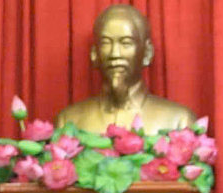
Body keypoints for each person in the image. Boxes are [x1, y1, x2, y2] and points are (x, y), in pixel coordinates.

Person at [55, 4, 196, 135]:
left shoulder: (179, 121)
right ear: (94, 54)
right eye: (105, 43)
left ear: (147, 53)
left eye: (126, 43)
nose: (115, 54)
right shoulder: (68, 121)